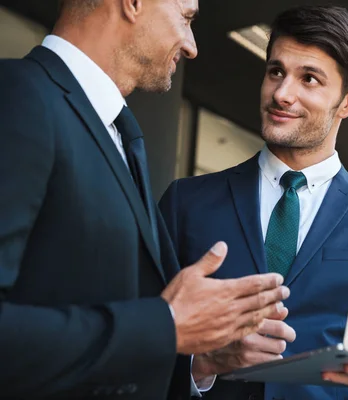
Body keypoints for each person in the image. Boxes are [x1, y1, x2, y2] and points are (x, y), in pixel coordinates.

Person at [159, 5, 348, 400]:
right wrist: (202, 363)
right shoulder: (185, 203)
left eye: (309, 79)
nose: (282, 93)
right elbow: (138, 341)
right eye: (276, 71)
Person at [0, 0, 289, 398]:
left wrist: (199, 357)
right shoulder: (18, 97)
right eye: (186, 18)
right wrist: (165, 324)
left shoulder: (121, 136)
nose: (191, 46)